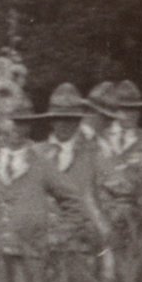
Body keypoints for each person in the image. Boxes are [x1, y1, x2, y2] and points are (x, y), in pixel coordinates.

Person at [0, 97, 105, 282]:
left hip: (30, 259)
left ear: (30, 126)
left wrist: (56, 237)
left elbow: (74, 202)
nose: (17, 128)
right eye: (10, 121)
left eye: (23, 123)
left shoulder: (41, 160)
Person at [92, 80, 142, 242]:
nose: (130, 114)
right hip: (105, 218)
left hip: (139, 219)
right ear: (113, 111)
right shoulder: (98, 140)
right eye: (124, 109)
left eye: (135, 109)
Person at [33, 83, 101, 257]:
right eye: (58, 118)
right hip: (41, 247)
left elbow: (102, 201)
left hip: (83, 247)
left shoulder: (95, 153)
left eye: (70, 118)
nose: (64, 124)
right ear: (50, 119)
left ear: (78, 120)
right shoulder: (34, 153)